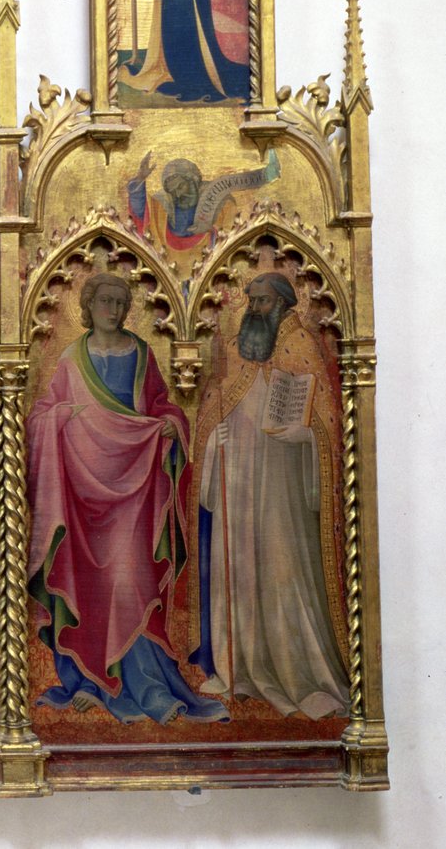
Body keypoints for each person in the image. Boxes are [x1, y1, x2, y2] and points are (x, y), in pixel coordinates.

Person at [27, 273, 226, 723]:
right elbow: (40, 416)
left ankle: (149, 686)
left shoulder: (141, 354)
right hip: (81, 493)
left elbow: (162, 405)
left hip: (135, 491)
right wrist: (64, 416)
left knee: (129, 580)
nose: (113, 310)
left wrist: (172, 424)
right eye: (105, 301)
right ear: (88, 306)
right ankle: (89, 683)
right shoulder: (71, 359)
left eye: (120, 302)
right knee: (85, 587)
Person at [192, 273, 348, 718]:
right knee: (237, 569)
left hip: (283, 489)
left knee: (282, 571)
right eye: (251, 301)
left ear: (282, 303)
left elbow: (330, 424)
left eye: (262, 301)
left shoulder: (301, 347)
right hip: (236, 482)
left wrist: (308, 437)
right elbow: (210, 410)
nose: (254, 309)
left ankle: (298, 673)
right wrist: (212, 442)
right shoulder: (237, 351)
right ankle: (238, 667)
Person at [127, 150, 279, 288]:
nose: (177, 195)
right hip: (167, 274)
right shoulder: (164, 205)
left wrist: (211, 231)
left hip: (212, 275)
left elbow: (230, 236)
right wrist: (140, 179)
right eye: (172, 192)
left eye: (180, 187)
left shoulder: (219, 202)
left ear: (193, 179)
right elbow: (142, 212)